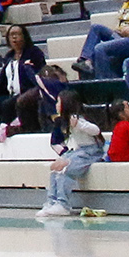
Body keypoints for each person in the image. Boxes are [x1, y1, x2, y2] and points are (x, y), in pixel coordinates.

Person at [38, 87, 109, 220]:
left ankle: (63, 204)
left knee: (65, 168)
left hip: (92, 152)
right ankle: (52, 202)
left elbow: (96, 130)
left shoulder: (77, 119)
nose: (56, 105)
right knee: (55, 168)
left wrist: (78, 125)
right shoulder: (64, 121)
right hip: (81, 150)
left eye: (58, 102)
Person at [0, 24, 57, 135]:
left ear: (24, 36)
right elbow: (3, 80)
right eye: (11, 35)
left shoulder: (34, 52)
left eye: (17, 34)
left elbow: (41, 74)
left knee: (7, 104)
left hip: (29, 92)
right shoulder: (8, 57)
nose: (14, 37)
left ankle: (4, 130)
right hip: (11, 93)